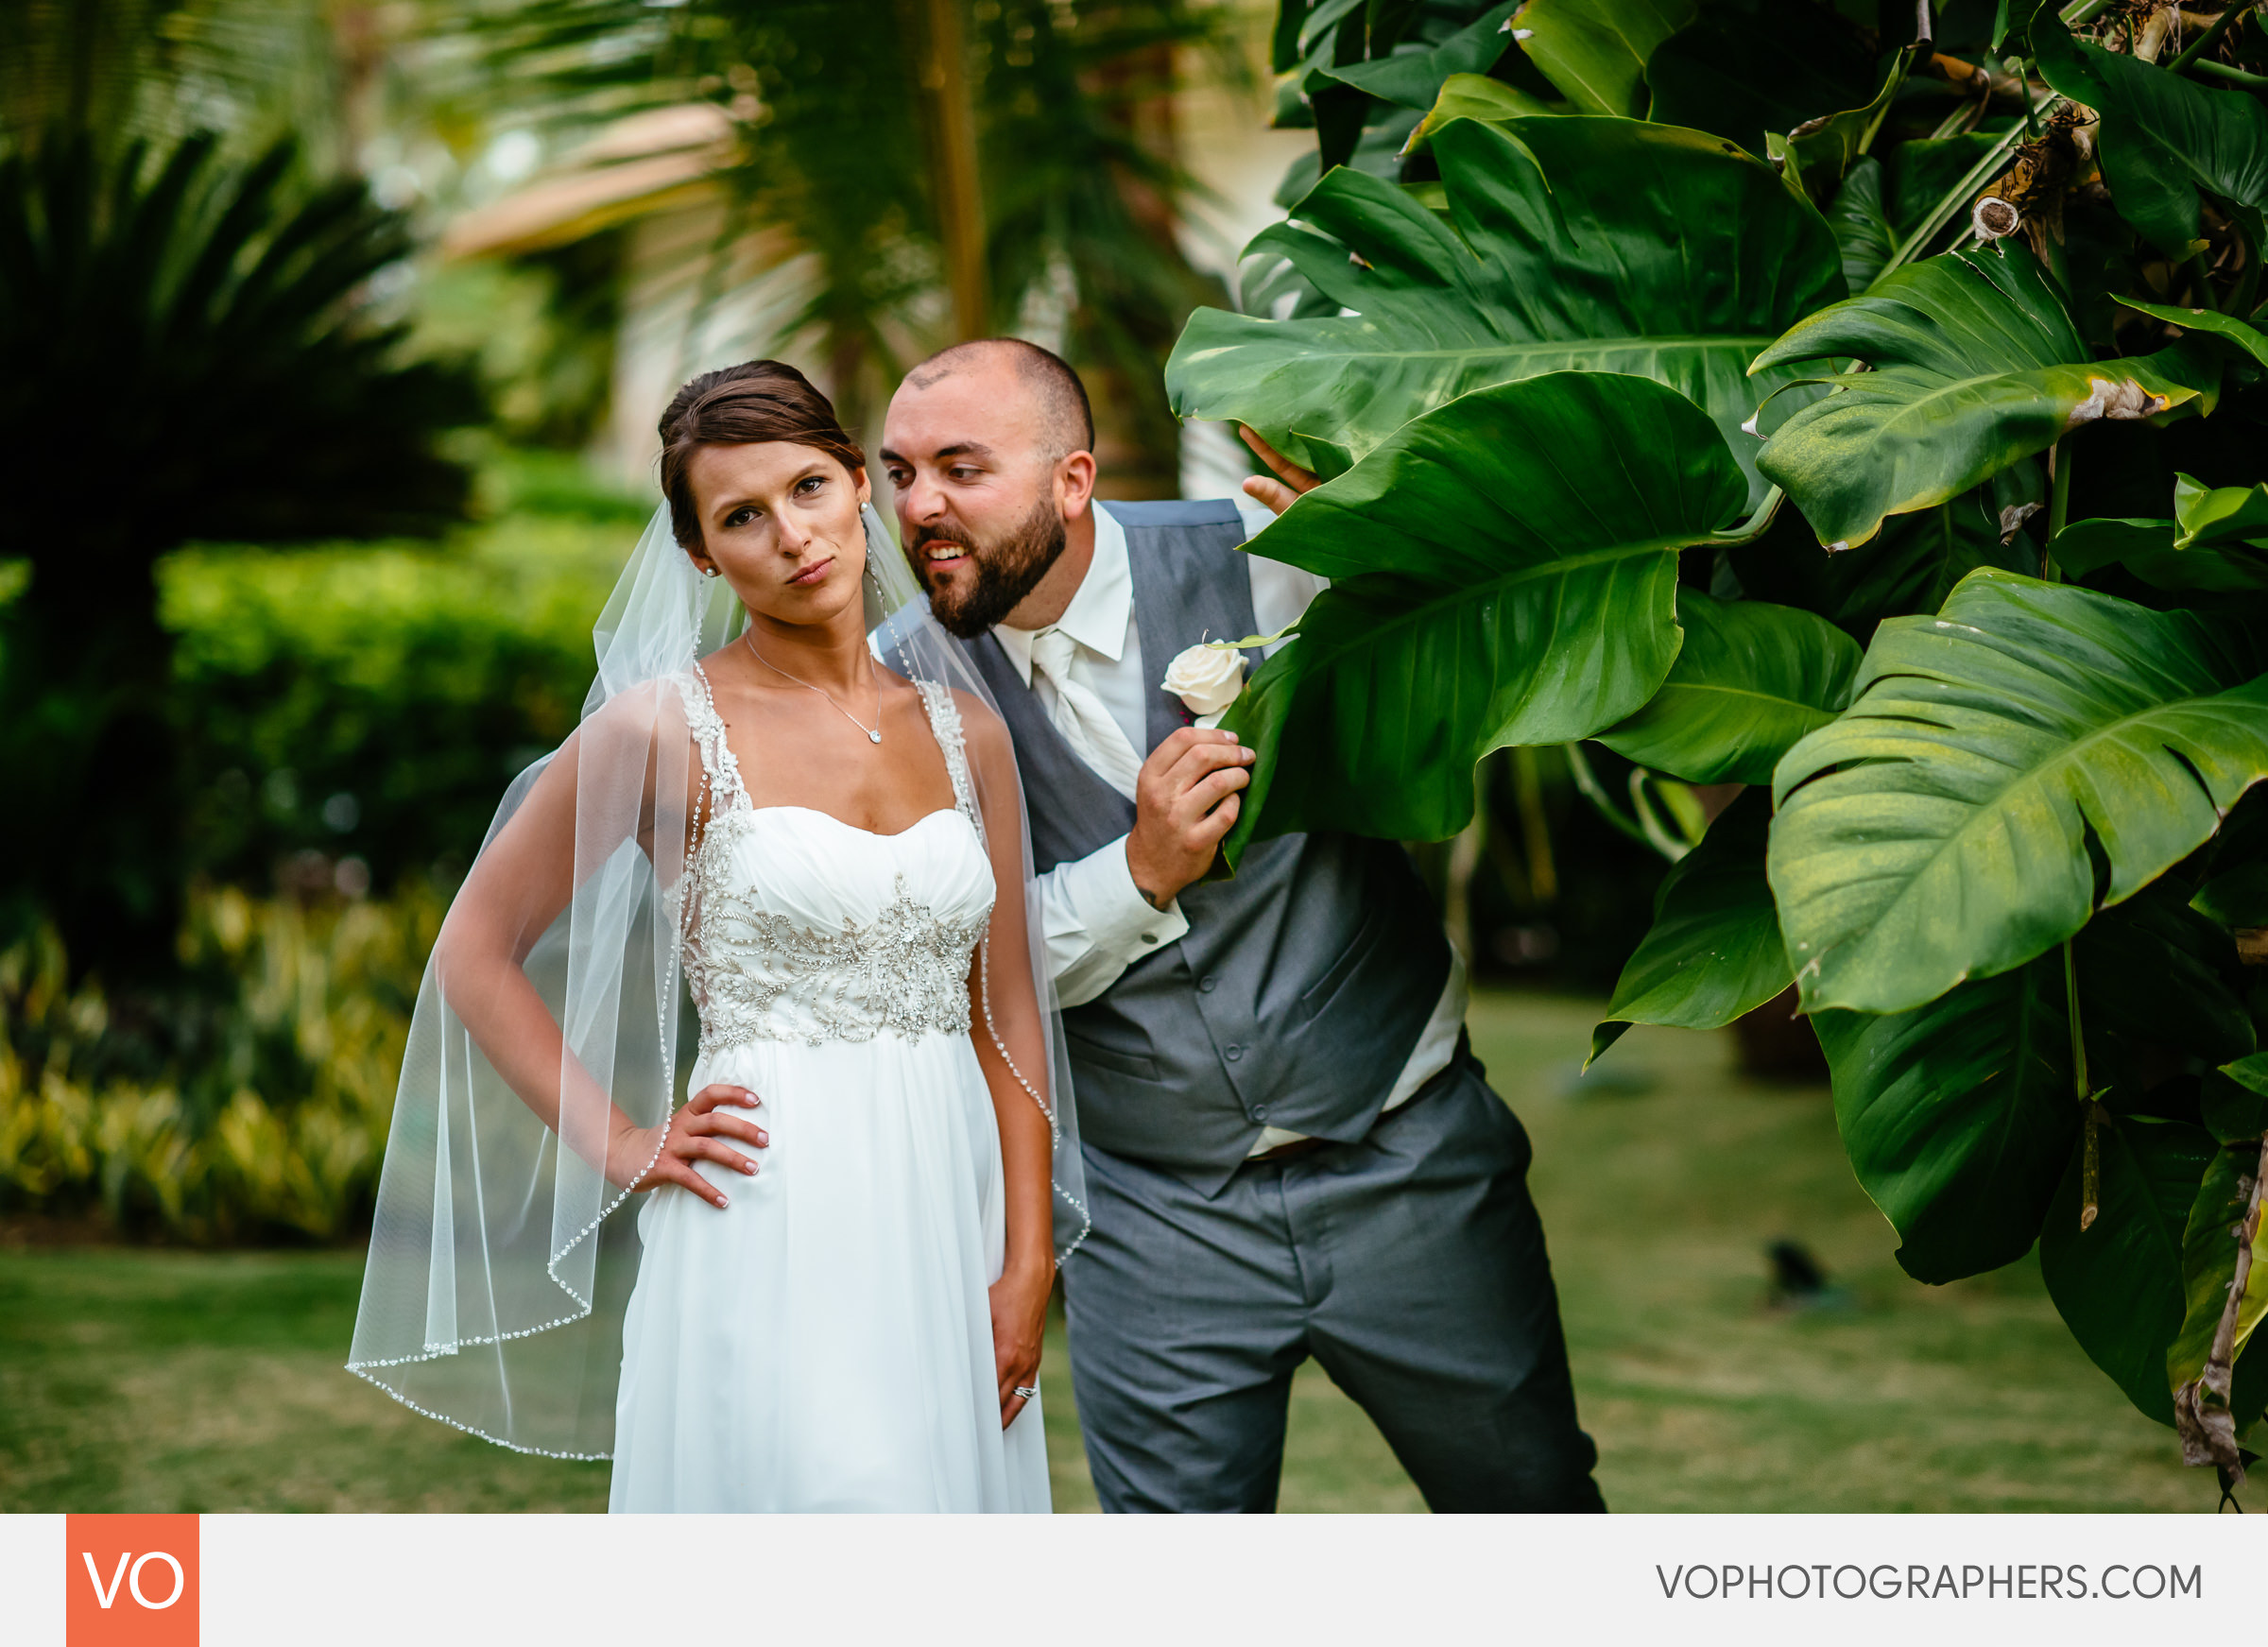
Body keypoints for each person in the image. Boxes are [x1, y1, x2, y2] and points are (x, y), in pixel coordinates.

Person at [880, 338, 1606, 1513]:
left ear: (1072, 480)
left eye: (962, 468)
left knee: (1528, 1509)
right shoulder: (894, 689)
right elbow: (956, 971)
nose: (922, 508)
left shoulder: (1269, 552)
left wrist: (1396, 562)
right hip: (1147, 1213)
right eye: (900, 473)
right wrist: (1138, 870)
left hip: (1409, 1157)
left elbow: (1480, 671)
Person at [349, 361, 1082, 1512]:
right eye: (742, 516)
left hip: (949, 1208)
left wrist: (1027, 1256)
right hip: (771, 1205)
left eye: (808, 489)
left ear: (854, 487)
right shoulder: (659, 729)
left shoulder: (968, 731)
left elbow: (1008, 1010)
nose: (792, 536)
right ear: (700, 554)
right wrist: (620, 1141)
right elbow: (473, 953)